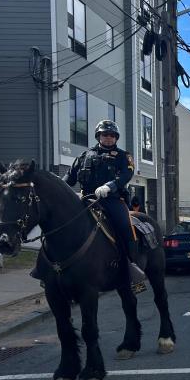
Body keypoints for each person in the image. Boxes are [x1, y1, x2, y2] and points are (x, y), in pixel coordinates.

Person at [63, 119, 145, 290]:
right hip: (86, 200)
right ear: (98, 136)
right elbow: (69, 179)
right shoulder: (84, 156)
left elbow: (126, 175)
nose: (108, 138)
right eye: (104, 134)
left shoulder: (124, 156)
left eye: (112, 135)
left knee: (125, 226)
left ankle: (132, 269)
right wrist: (57, 185)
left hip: (112, 200)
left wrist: (110, 186)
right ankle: (50, 269)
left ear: (116, 138)